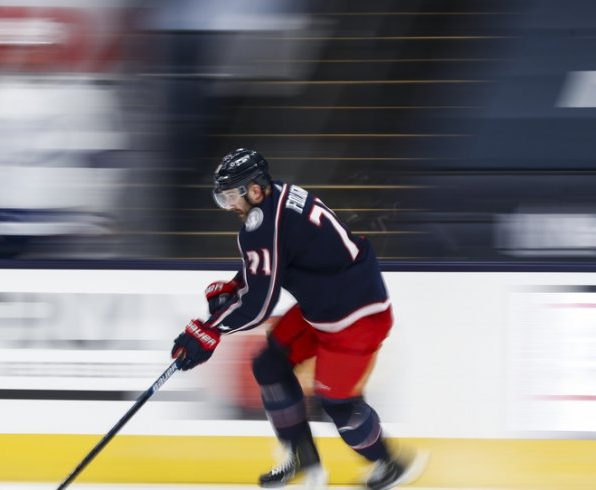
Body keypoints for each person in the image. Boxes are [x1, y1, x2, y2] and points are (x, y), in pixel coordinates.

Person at [171, 148, 423, 489]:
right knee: (269, 365)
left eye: (232, 195)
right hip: (326, 306)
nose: (229, 204)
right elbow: (270, 264)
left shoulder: (261, 224)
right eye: (224, 196)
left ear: (256, 190)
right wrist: (236, 285)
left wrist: (207, 331)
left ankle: (391, 464)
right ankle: (302, 457)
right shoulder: (278, 197)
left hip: (356, 320)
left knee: (337, 402)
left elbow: (260, 304)